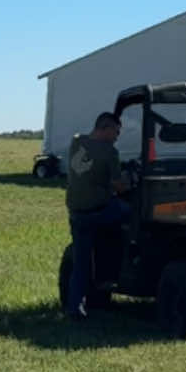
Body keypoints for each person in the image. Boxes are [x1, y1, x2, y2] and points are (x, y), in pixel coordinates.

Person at [65, 111, 130, 321]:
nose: (117, 137)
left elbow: (89, 171)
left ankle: (75, 307)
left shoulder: (76, 142)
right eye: (116, 132)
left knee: (81, 264)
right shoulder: (110, 152)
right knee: (131, 212)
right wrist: (128, 179)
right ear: (105, 128)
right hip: (100, 211)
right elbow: (119, 186)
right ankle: (124, 257)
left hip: (76, 213)